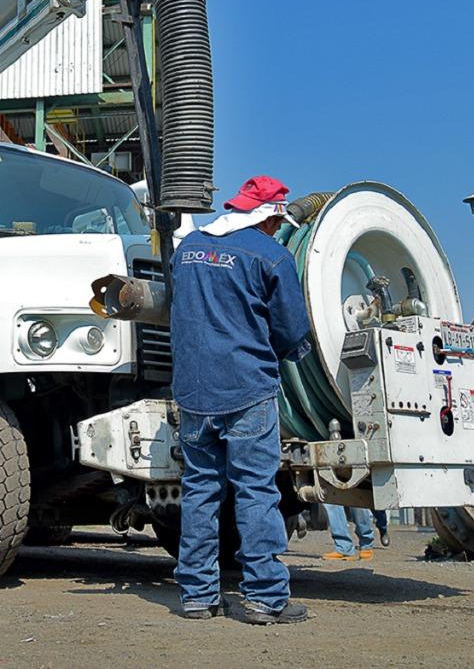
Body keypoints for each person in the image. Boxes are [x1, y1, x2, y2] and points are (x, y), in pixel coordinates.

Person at [169, 175, 313, 625]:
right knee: (255, 491)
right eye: (277, 220)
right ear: (270, 216)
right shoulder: (271, 255)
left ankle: (197, 596)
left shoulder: (186, 250)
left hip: (192, 392)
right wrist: (291, 353)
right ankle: (266, 598)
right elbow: (291, 330)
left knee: (199, 491)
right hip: (247, 389)